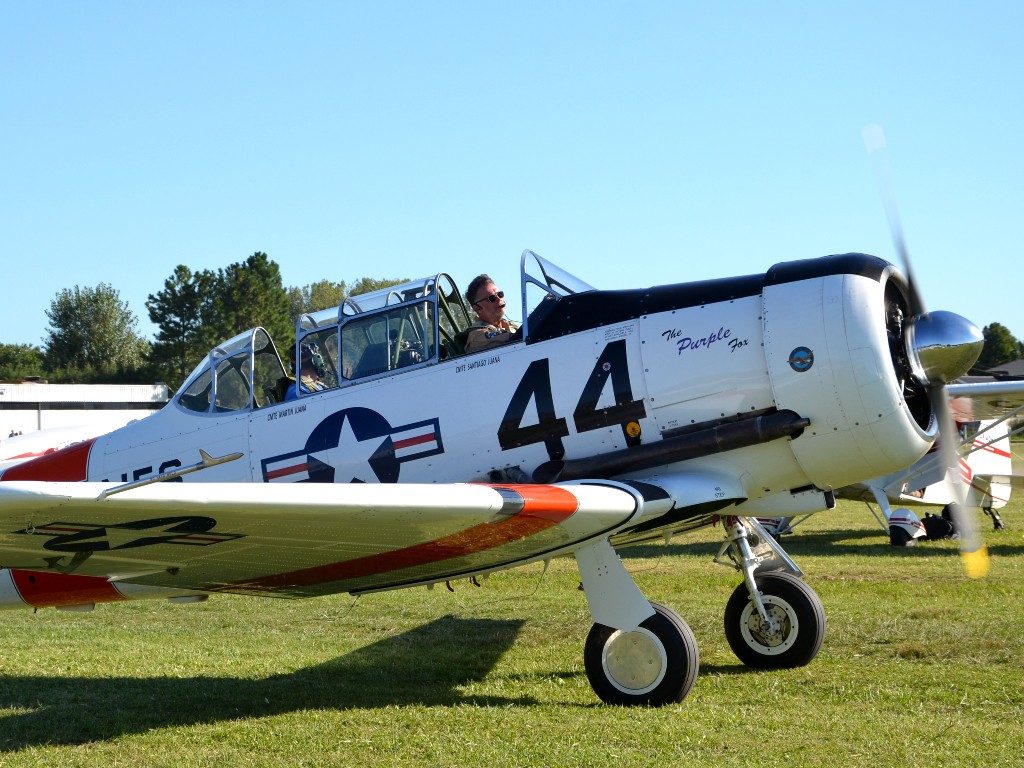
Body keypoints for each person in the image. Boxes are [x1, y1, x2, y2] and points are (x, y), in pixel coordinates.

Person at [464, 274, 518, 354]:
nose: (498, 299)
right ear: (477, 308)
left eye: (500, 294)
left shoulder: (509, 326)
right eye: (492, 298)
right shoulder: (476, 336)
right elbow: (506, 341)